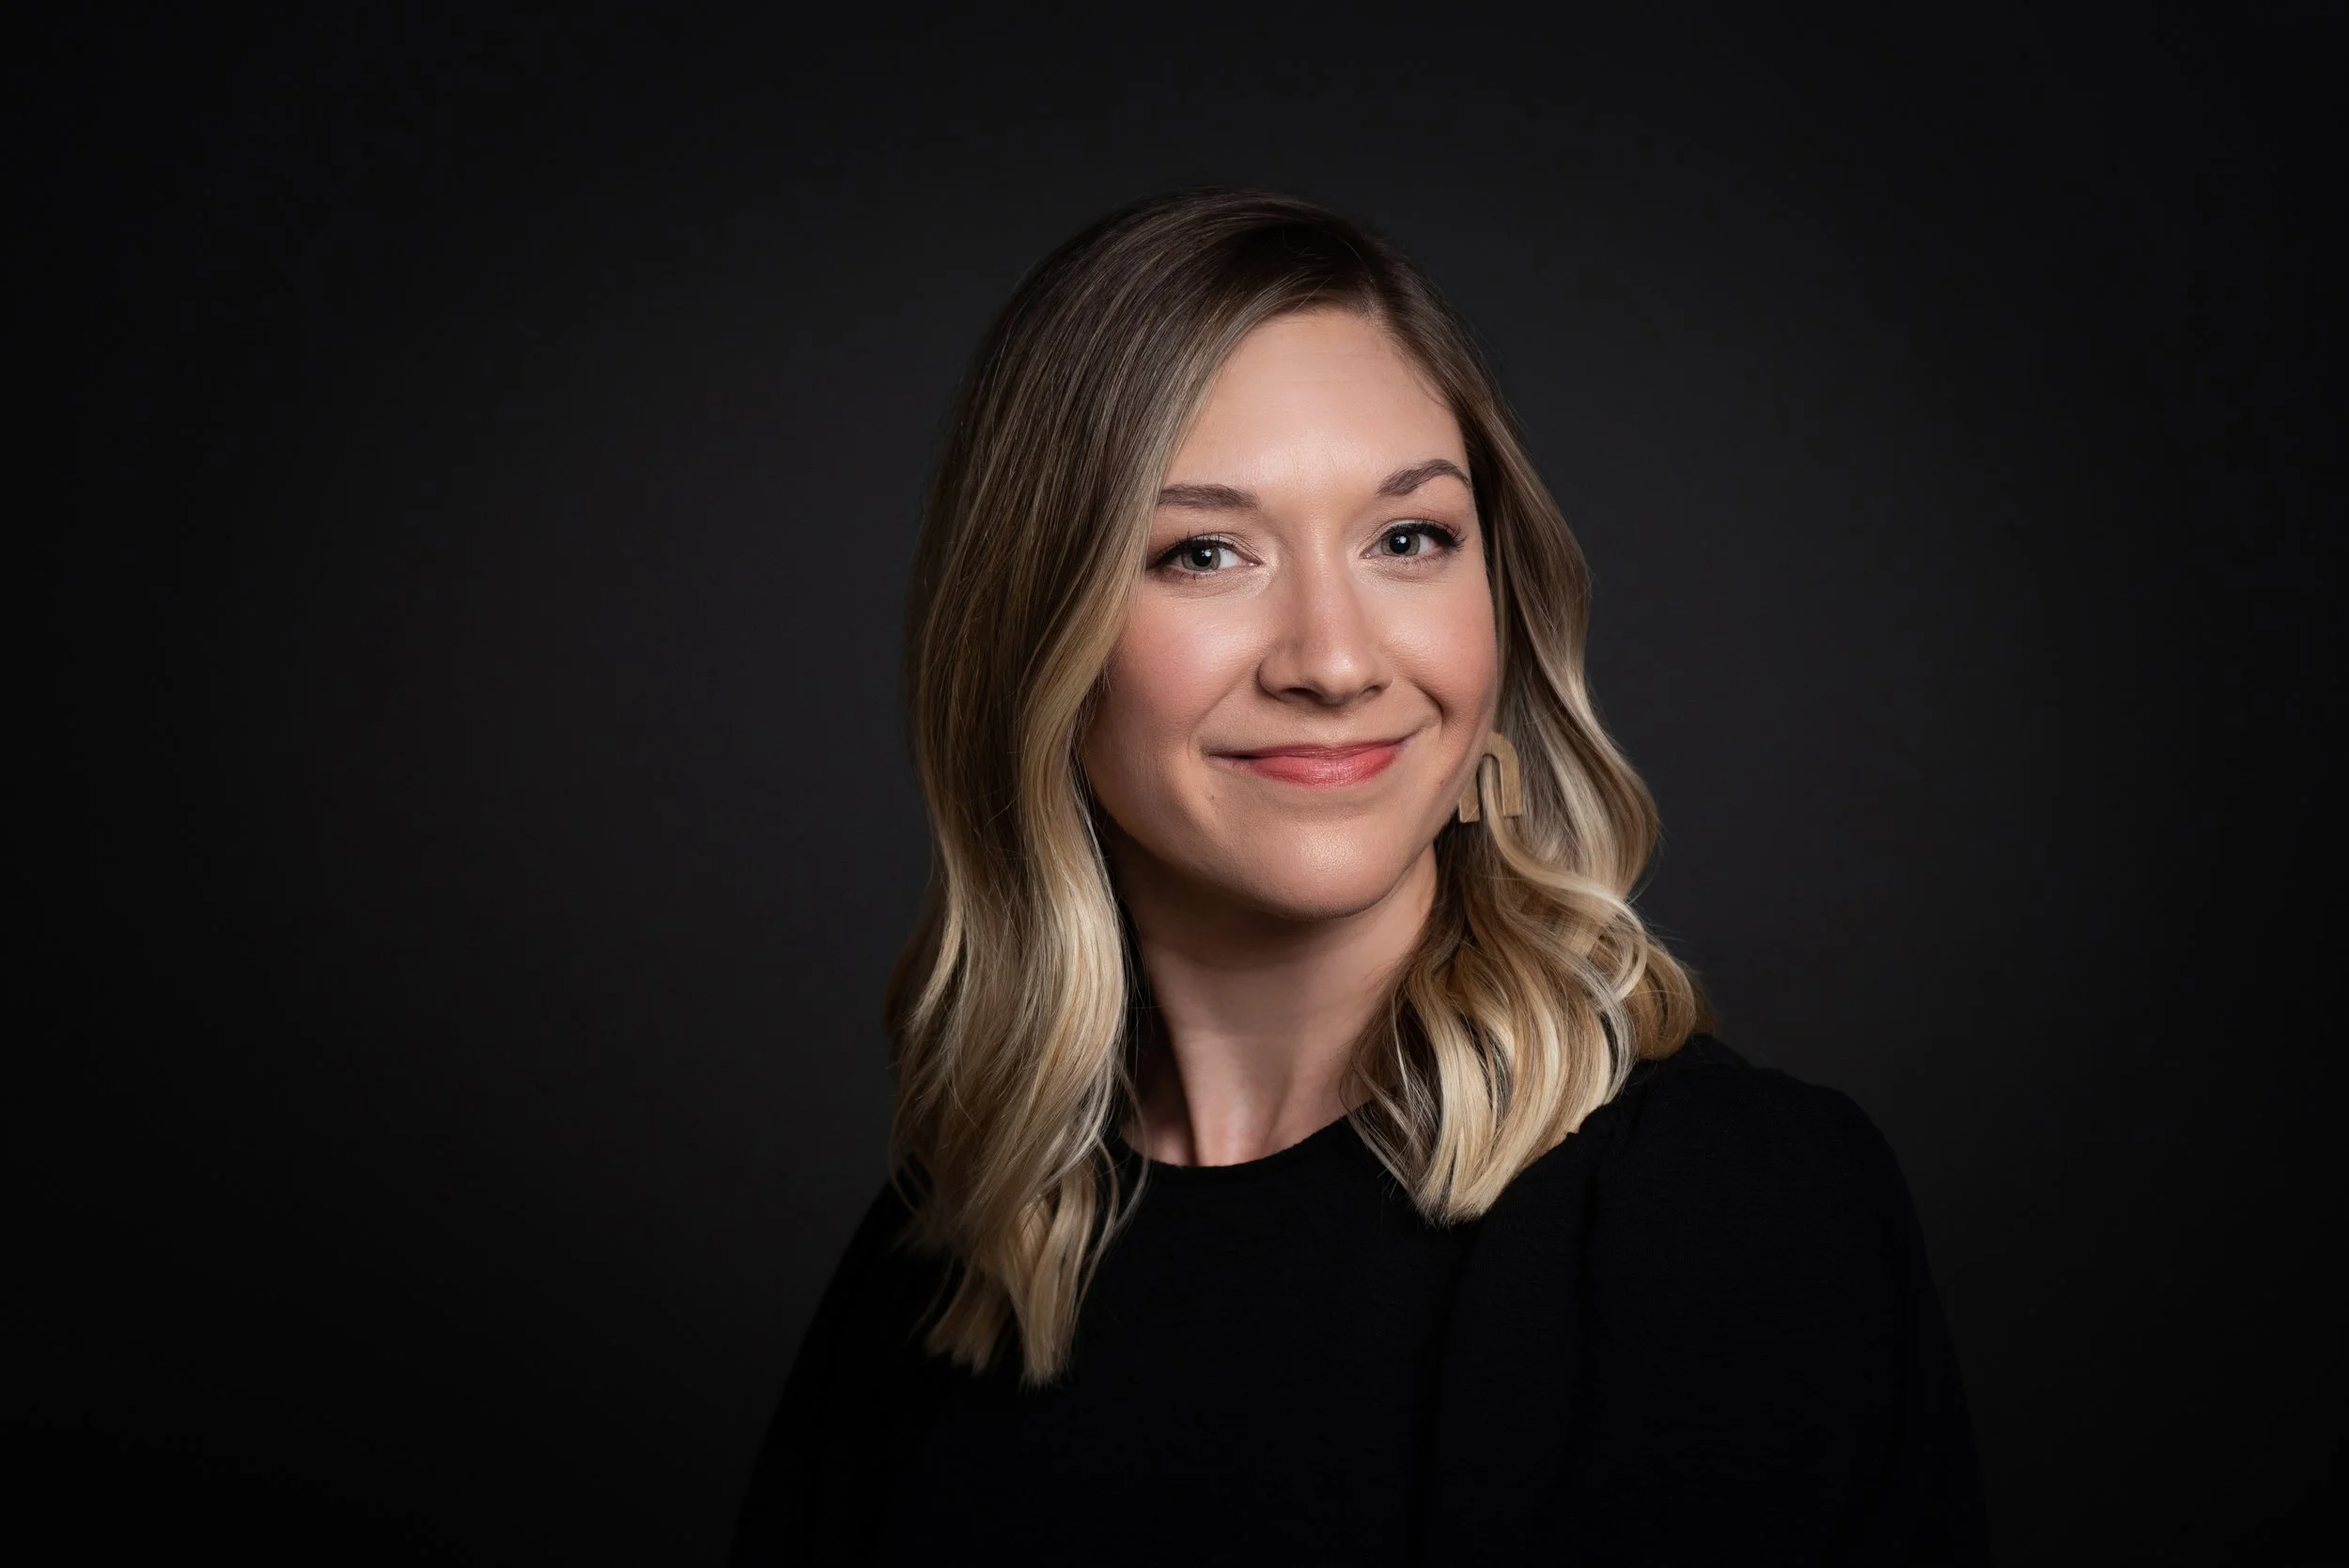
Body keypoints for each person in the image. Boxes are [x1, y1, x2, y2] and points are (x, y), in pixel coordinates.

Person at [733, 188, 1986, 1564]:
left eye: (1409, 539)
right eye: (1204, 552)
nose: (1333, 660)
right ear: (1037, 643)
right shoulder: (945, 1262)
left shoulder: (1718, 1216)